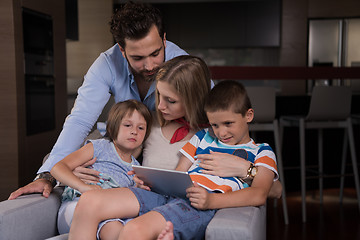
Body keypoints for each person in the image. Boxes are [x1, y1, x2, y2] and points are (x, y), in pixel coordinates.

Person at [8, 1, 187, 200]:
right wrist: (47, 175)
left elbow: (214, 113)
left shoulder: (183, 64)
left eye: (155, 53)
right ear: (121, 49)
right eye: (137, 58)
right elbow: (80, 120)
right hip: (123, 149)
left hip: (164, 149)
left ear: (164, 39)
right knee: (58, 161)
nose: (149, 65)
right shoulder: (107, 64)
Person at [67, 80, 278, 240]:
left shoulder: (261, 151)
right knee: (89, 201)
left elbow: (259, 194)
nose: (221, 132)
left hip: (198, 205)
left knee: (134, 229)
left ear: (248, 115)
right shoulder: (203, 137)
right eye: (215, 125)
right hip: (169, 194)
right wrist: (153, 181)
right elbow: (179, 173)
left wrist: (212, 201)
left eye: (228, 123)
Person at [50, 99, 152, 234]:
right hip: (78, 206)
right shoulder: (99, 147)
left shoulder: (137, 167)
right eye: (128, 125)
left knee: (121, 229)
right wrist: (84, 187)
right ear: (111, 128)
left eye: (141, 128)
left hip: (110, 215)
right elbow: (57, 168)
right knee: (113, 227)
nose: (134, 131)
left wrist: (138, 189)